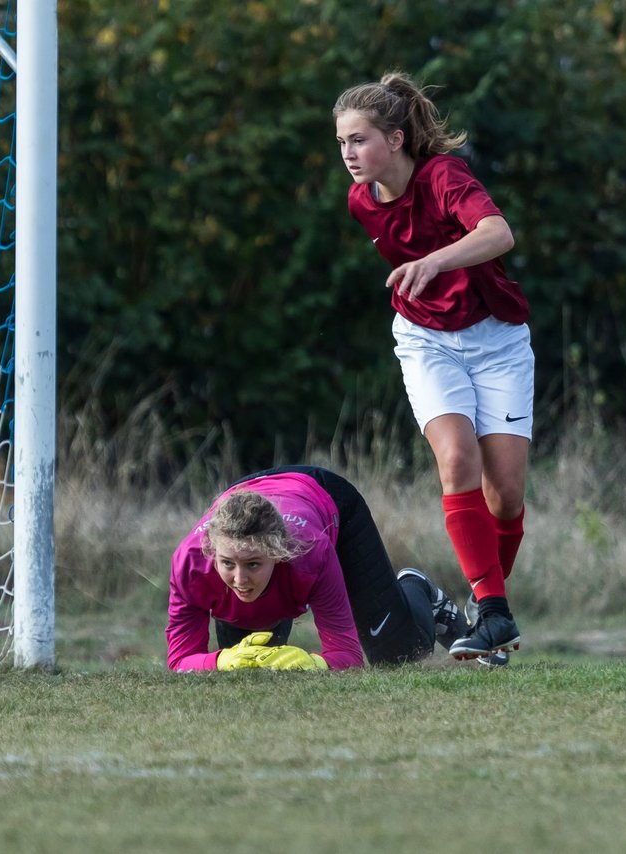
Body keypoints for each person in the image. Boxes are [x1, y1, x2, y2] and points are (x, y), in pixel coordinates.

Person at [333, 72, 532, 662]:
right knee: (456, 458)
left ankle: (484, 611)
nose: (349, 154)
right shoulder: (360, 201)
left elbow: (498, 233)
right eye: (342, 143)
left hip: (497, 339)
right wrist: (425, 275)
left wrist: (433, 261)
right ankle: (494, 615)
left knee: (508, 497)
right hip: (426, 341)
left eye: (360, 140)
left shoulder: (444, 177)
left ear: (395, 139)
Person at [166, 465, 466, 672]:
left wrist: (314, 663)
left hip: (329, 497)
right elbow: (180, 660)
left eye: (253, 564)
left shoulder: (310, 554)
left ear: (278, 553)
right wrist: (220, 661)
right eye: (227, 564)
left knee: (397, 654)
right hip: (248, 495)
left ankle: (418, 588)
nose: (240, 579)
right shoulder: (190, 564)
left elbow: (347, 656)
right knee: (248, 667)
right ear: (213, 552)